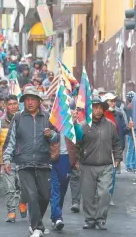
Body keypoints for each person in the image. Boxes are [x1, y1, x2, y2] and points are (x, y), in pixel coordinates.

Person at [3, 87, 58, 237]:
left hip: (44, 162)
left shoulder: (47, 117)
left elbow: (57, 138)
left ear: (39, 101)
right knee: (32, 195)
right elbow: (10, 140)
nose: (30, 102)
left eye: (33, 99)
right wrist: (6, 159)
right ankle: (37, 228)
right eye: (27, 99)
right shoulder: (18, 117)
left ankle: (34, 222)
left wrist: (51, 134)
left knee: (45, 196)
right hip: (24, 163)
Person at [76, 96, 122, 230]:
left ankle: (101, 219)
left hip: (106, 165)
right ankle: (90, 219)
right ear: (90, 109)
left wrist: (118, 158)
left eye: (100, 108)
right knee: (88, 195)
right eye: (95, 107)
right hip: (87, 165)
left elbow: (116, 143)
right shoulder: (83, 126)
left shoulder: (110, 125)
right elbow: (76, 144)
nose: (97, 110)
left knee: (104, 194)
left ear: (103, 109)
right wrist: (77, 161)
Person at [0, 95, 27, 223]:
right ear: (5, 106)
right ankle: (11, 212)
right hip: (7, 159)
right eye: (10, 104)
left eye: (15, 103)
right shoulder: (0, 122)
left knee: (24, 185)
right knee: (9, 188)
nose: (13, 106)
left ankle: (22, 202)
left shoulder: (24, 119)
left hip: (23, 158)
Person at [50, 103, 78, 231]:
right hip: (53, 159)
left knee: (62, 190)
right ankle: (58, 217)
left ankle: (55, 215)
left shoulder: (71, 125)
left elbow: (80, 138)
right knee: (55, 189)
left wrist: (75, 122)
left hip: (67, 160)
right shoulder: (51, 122)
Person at [125, 91, 136, 172]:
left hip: (132, 129)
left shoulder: (130, 107)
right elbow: (129, 119)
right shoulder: (129, 107)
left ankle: (132, 164)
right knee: (131, 148)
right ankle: (129, 165)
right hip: (130, 130)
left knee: (132, 148)